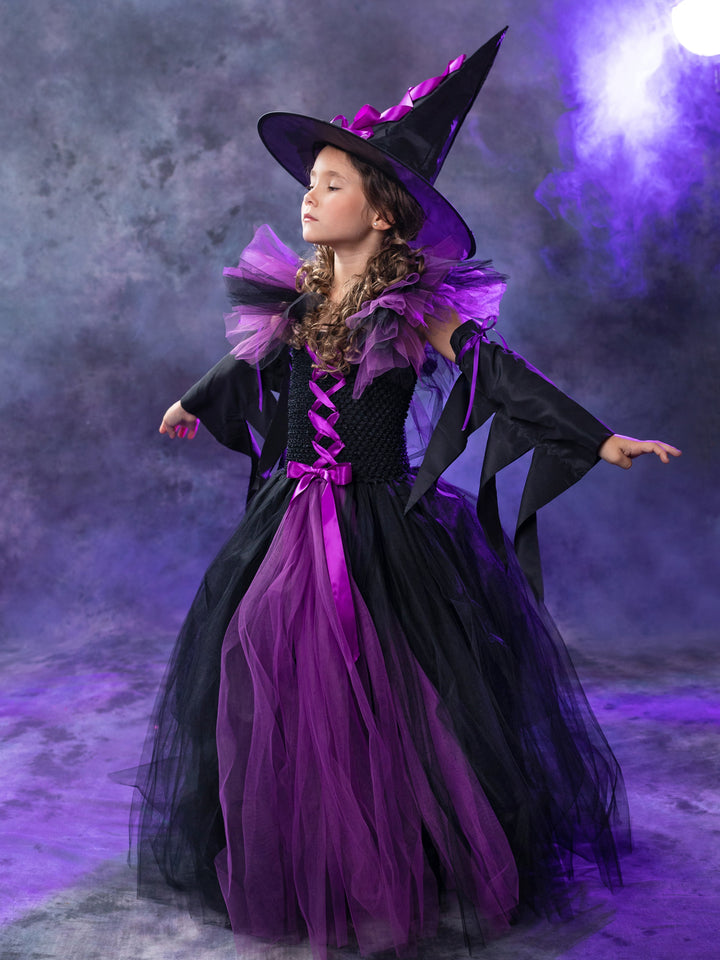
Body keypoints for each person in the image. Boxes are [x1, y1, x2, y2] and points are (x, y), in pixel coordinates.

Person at [132, 29, 680, 959]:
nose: (309, 197)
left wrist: (595, 436)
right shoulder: (297, 303)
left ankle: (401, 857)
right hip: (291, 518)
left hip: (380, 521)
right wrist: (194, 400)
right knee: (273, 660)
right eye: (310, 183)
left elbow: (498, 375)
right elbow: (247, 369)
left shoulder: (417, 309)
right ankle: (305, 849)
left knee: (390, 683)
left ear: (384, 214)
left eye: (332, 184)